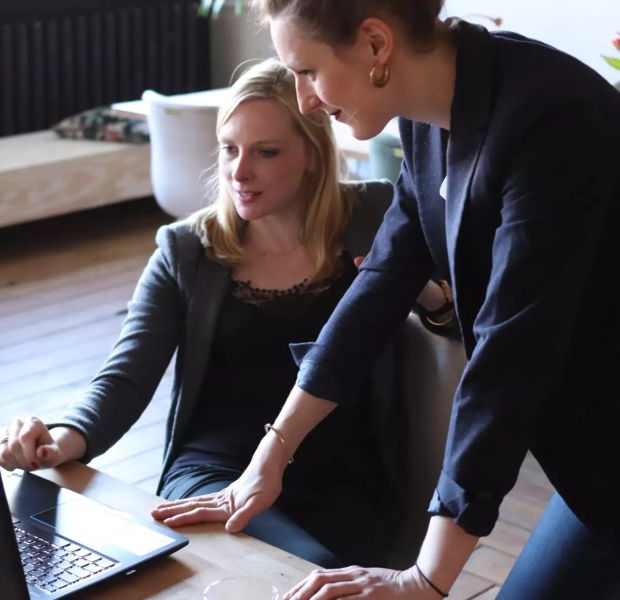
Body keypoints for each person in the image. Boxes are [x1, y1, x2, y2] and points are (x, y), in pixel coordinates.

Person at [153, 1, 620, 598]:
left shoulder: (550, 118)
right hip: (590, 453)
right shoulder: (430, 119)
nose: (305, 101)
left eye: (309, 72)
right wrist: (270, 457)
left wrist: (424, 580)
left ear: (376, 44)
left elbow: (510, 358)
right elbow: (381, 282)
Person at [0, 58, 447, 568]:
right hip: (215, 473)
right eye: (230, 149)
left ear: (313, 156)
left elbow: (457, 325)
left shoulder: (375, 215)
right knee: (297, 569)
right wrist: (61, 440)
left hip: (346, 478)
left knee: (316, 570)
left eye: (266, 152)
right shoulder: (188, 249)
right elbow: (125, 377)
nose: (239, 171)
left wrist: (423, 293)